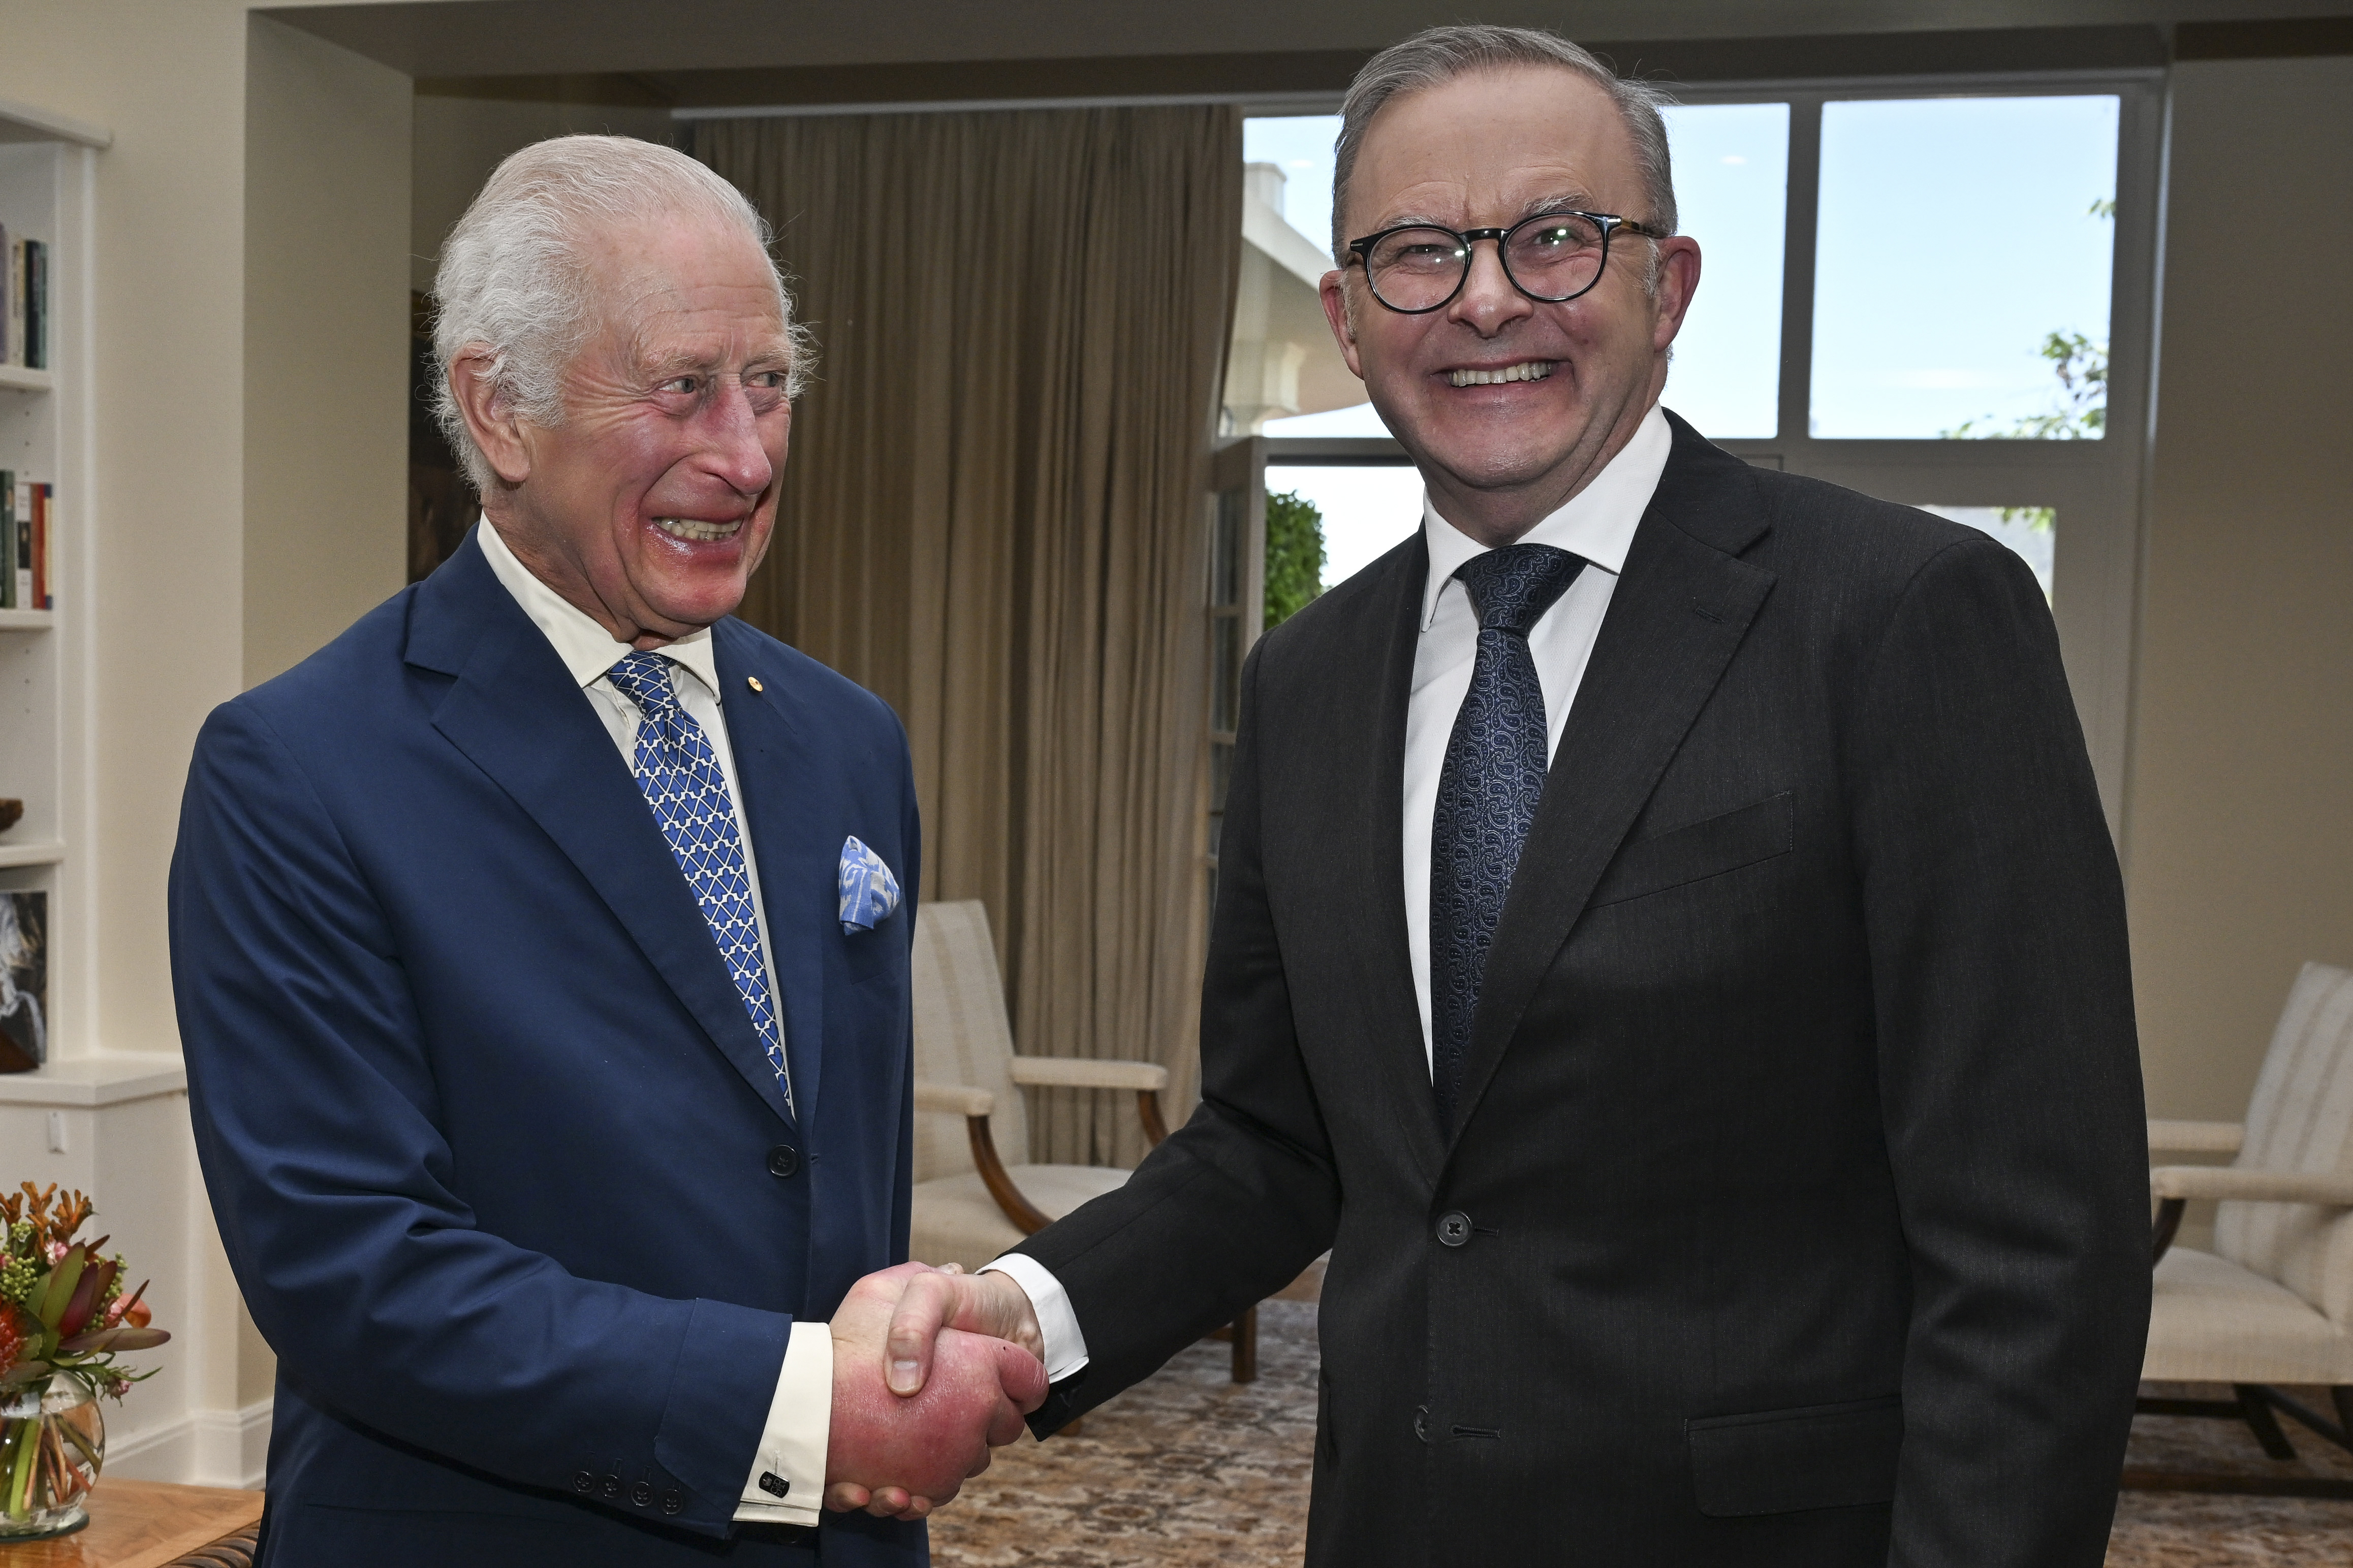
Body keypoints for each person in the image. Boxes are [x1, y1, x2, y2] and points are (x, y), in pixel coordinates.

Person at [872, 26, 2153, 1567]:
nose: (1486, 299)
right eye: (1421, 252)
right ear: (1348, 319)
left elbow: (2034, 1245)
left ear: (1666, 286)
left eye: (1555, 238)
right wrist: (1020, 1309)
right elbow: (1278, 1143)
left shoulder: (1904, 619)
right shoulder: (1309, 679)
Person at [169, 136, 1042, 1567]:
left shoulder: (847, 741)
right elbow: (358, 1273)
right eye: (683, 387)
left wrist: (889, 1378)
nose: (748, 456)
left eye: (769, 385)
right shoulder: (298, 770)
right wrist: (802, 1412)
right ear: (499, 412)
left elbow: (819, 1177)